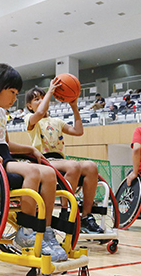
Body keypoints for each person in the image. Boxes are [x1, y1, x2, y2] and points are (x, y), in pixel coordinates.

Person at [0, 63, 67, 261]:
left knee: (49, 173)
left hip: (3, 158)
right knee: (33, 172)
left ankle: (45, 230)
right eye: (12, 92)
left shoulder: (2, 113)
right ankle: (26, 231)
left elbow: (7, 144)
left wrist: (29, 149)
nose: (14, 98)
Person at [24, 80, 104, 233]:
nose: (41, 101)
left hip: (60, 160)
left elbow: (78, 131)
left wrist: (74, 106)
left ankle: (86, 216)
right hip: (43, 162)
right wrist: (49, 92)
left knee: (91, 166)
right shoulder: (30, 119)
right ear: (29, 106)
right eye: (36, 99)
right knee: (73, 165)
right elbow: (40, 112)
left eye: (42, 97)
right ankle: (65, 212)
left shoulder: (57, 121)